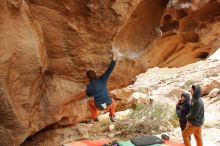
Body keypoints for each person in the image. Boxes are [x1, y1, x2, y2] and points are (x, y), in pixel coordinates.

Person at [86, 50, 118, 122]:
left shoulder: (89, 87)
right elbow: (110, 70)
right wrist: (114, 58)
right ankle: (112, 115)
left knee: (90, 103)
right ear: (96, 74)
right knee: (112, 100)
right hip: (109, 104)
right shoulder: (102, 79)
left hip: (99, 107)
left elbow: (88, 95)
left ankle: (95, 118)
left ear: (88, 78)